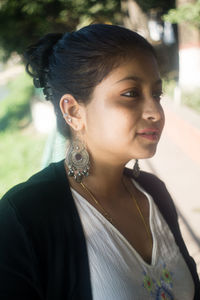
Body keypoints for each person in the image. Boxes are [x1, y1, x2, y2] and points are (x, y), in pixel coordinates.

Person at [0, 24, 199, 300]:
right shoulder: (24, 218)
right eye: (131, 93)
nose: (156, 111)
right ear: (73, 110)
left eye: (157, 94)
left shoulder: (154, 193)